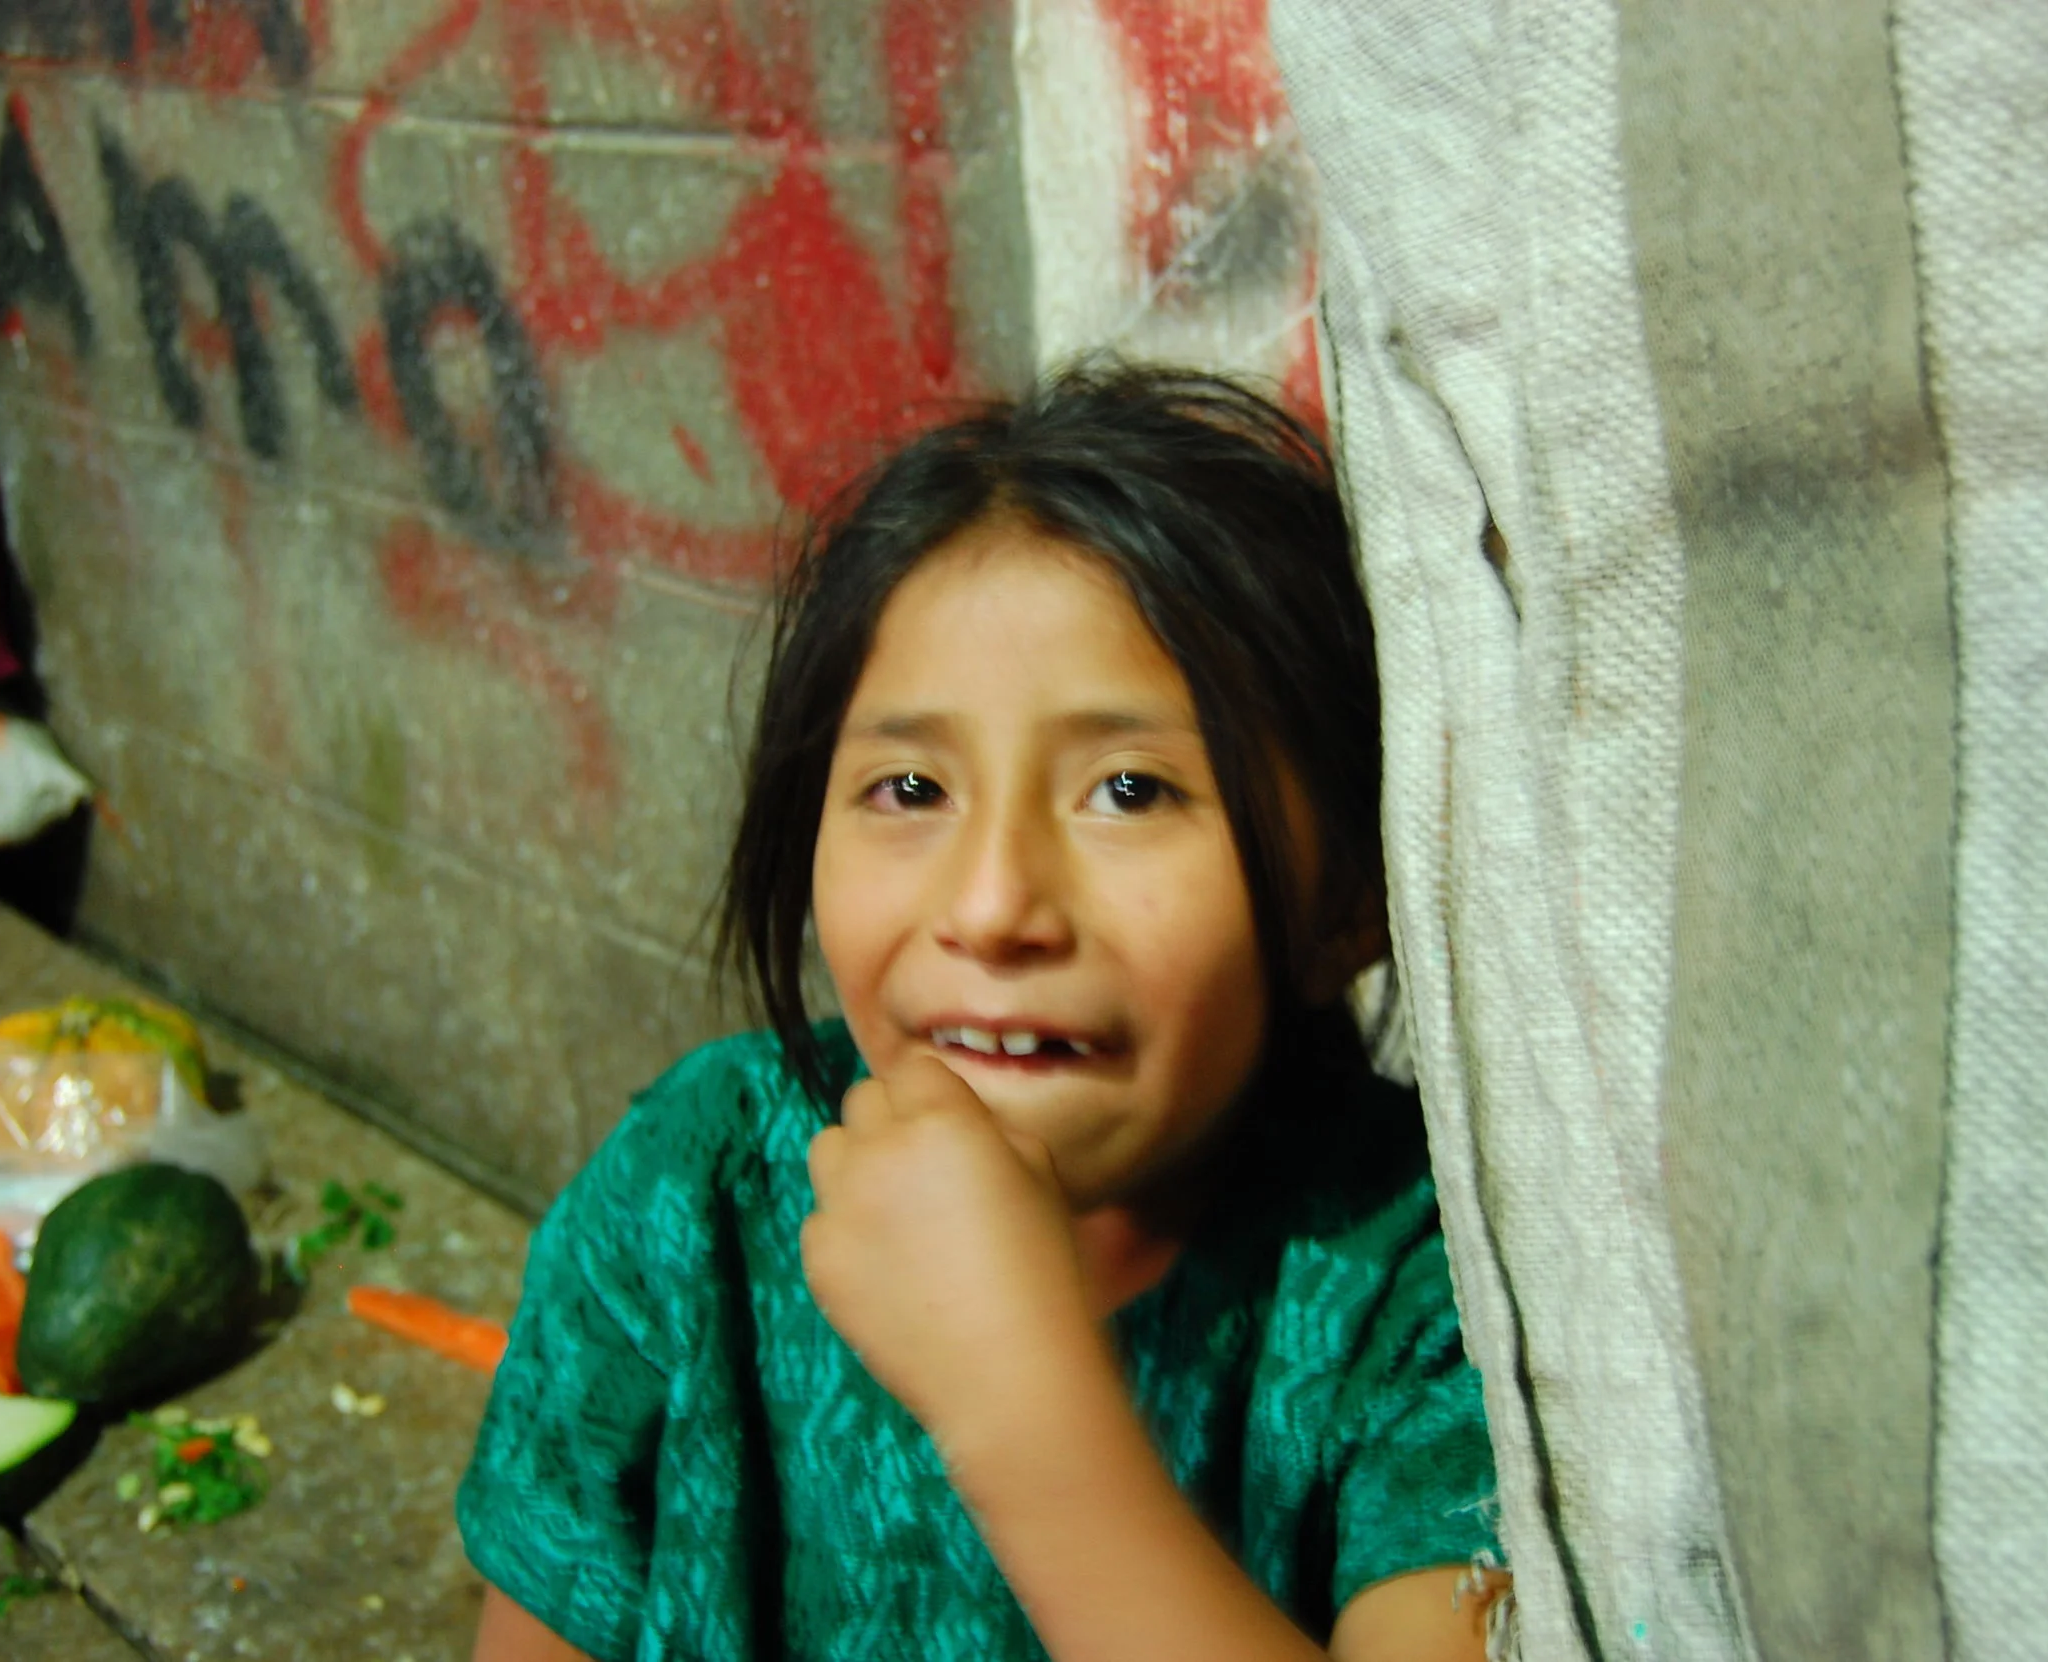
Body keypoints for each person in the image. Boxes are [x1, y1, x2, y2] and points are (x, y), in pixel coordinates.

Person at [459, 362, 1511, 1662]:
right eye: (909, 786)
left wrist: (1017, 1400)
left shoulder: (1426, 1292)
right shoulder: (692, 1198)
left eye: (1131, 790)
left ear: (1346, 897)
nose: (995, 904)